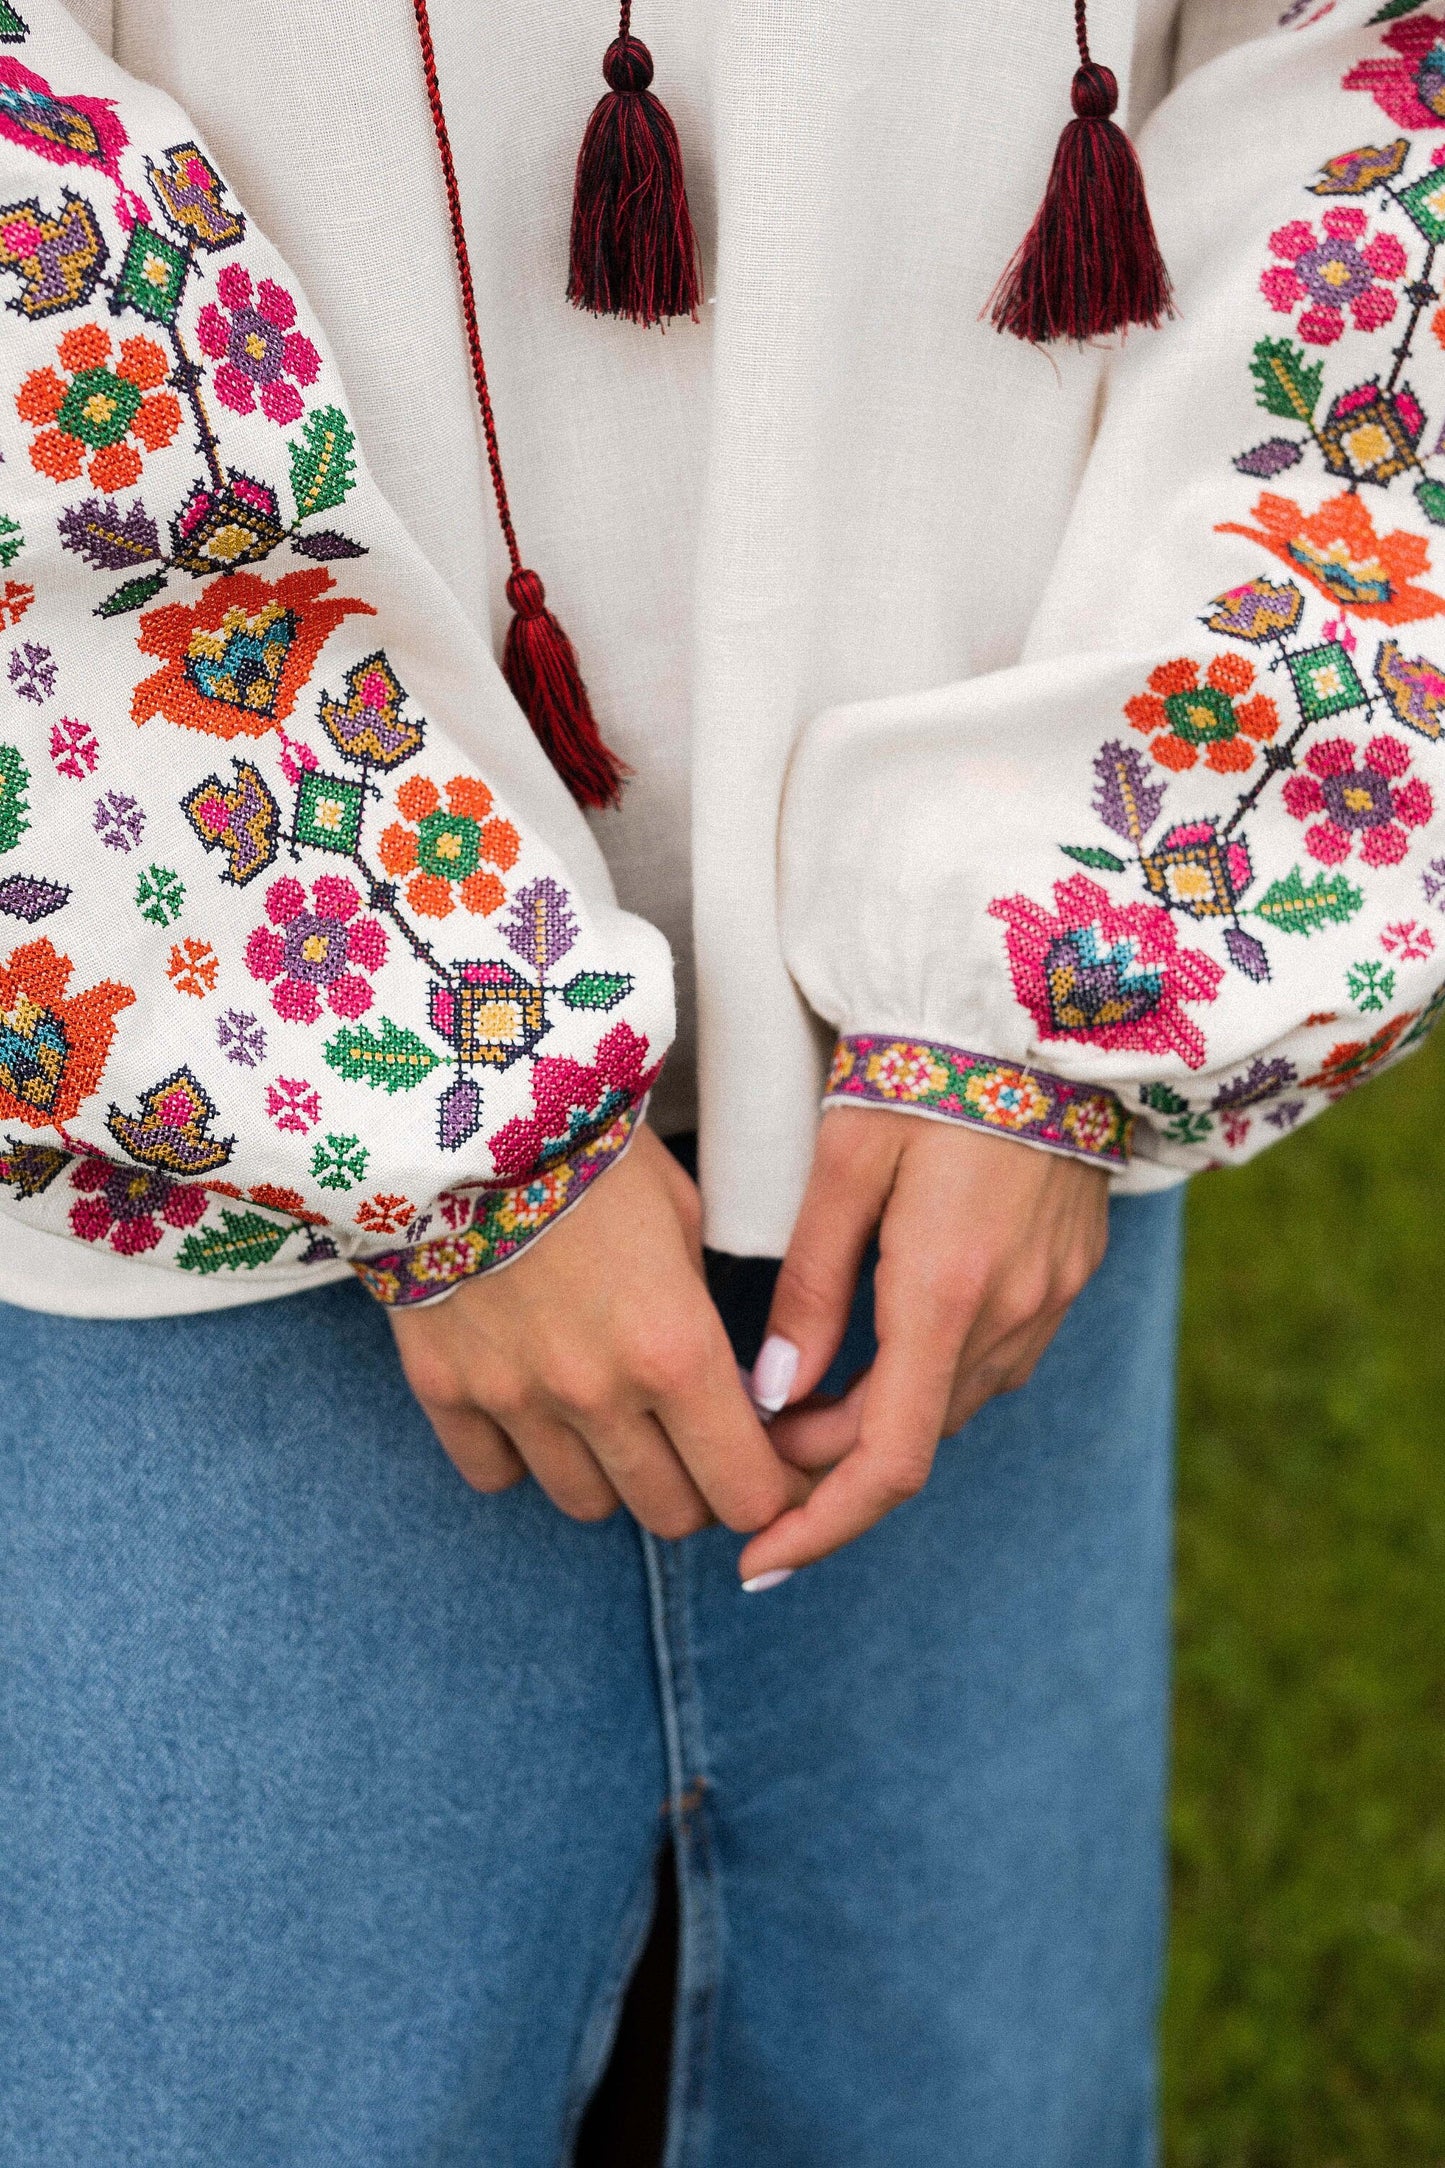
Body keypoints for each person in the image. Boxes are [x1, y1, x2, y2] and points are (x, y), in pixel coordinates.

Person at [2, 0, 1439, 2159]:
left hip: (954, 1161)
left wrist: (1076, 928)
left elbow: (1370, 68)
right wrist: (407, 1046)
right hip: (236, 1163)